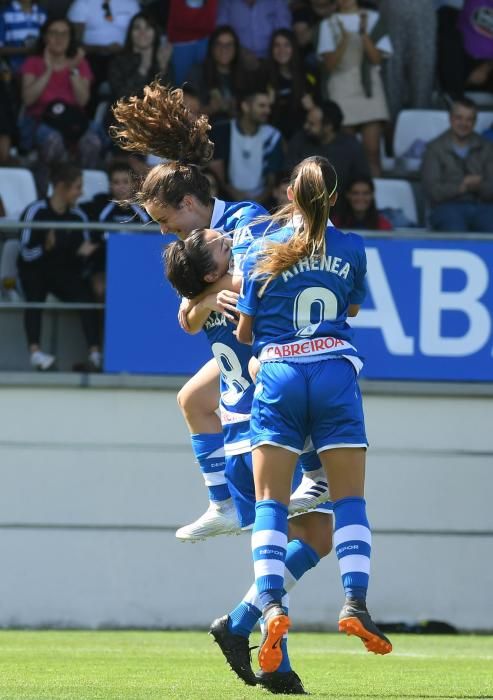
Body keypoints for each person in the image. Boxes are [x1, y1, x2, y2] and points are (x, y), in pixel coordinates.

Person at [110, 82, 329, 540]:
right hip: (237, 360)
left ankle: (317, 479)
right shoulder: (191, 248)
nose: (166, 232)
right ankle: (222, 504)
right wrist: (204, 299)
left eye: (167, 220)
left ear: (189, 203)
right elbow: (187, 321)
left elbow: (256, 280)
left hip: (271, 351)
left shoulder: (244, 222)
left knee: (304, 528)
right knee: (192, 400)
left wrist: (207, 295)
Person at [235, 155, 392, 672]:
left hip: (278, 372)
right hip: (334, 372)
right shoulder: (352, 246)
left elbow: (245, 335)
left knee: (270, 505)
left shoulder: (263, 247)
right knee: (349, 500)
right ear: (335, 195)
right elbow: (349, 310)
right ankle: (356, 603)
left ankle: (273, 603)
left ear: (290, 195)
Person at [164, 224, 333, 695]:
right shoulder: (240, 285)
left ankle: (267, 654)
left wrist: (201, 295)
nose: (226, 239)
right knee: (315, 536)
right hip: (267, 434)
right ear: (213, 268)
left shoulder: (208, 299)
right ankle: (243, 627)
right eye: (219, 245)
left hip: (237, 440)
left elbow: (188, 316)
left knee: (297, 540)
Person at [18, 163, 102, 371]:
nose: (80, 193)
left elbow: (79, 254)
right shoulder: (35, 211)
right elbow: (26, 253)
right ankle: (35, 353)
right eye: (77, 187)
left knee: (85, 293)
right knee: (34, 290)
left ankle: (95, 354)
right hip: (35, 271)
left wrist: (84, 253)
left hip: (63, 274)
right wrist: (46, 248)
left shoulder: (78, 216)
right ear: (61, 187)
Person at [19, 18, 102, 177]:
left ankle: (81, 189)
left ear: (71, 38)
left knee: (93, 143)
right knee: (52, 141)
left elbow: (83, 100)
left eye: (65, 34)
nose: (59, 38)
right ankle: (51, 190)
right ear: (45, 37)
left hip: (73, 122)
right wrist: (48, 70)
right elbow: (28, 99)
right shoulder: (33, 62)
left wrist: (72, 70)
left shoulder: (80, 63)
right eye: (54, 33)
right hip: (41, 121)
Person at [317, 0, 392, 175]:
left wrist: (364, 34)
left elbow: (377, 59)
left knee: (373, 151)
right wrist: (344, 40)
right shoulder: (328, 24)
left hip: (369, 88)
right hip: (341, 87)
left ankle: (376, 197)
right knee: (345, 152)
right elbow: (329, 65)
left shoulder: (373, 18)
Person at [421, 97, 493, 232]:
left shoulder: (487, 148)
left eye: (469, 119)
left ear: (475, 122)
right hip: (446, 207)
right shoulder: (434, 149)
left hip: (484, 207)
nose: (463, 123)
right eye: (459, 118)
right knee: (455, 230)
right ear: (450, 119)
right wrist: (462, 187)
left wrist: (479, 186)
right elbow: (432, 192)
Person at [81, 160, 150, 302]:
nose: (121, 187)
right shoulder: (99, 208)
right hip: (105, 264)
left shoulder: (145, 210)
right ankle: (102, 324)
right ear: (110, 185)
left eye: (125, 182)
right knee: (100, 289)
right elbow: (94, 240)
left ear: (134, 184)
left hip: (137, 265)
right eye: (116, 182)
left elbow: (151, 239)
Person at [208, 85, 284, 206]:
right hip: (226, 200)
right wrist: (235, 197)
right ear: (245, 106)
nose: (267, 111)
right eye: (262, 106)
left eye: (269, 106)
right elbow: (216, 173)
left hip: (263, 204)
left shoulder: (273, 136)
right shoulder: (223, 131)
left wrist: (255, 203)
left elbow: (272, 180)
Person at [286, 99, 372, 198]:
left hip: (342, 206)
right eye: (307, 122)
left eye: (312, 124)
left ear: (328, 126)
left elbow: (362, 181)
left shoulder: (351, 147)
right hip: (304, 201)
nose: (306, 126)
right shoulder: (299, 140)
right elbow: (288, 175)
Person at [67, 0, 140, 110]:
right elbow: (74, 42)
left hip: (125, 55)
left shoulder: (131, 3)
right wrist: (101, 49)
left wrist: (124, 50)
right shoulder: (82, 3)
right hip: (91, 56)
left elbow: (140, 32)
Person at [108, 12, 173, 104]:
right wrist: (143, 68)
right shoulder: (118, 62)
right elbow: (123, 98)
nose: (142, 33)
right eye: (137, 28)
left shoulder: (162, 59)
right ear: (130, 33)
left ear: (155, 32)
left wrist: (162, 68)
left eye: (148, 27)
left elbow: (166, 99)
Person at [185, 25, 243, 124]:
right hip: (205, 133)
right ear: (212, 48)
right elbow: (186, 113)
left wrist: (236, 109)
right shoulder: (197, 72)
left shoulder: (244, 75)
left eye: (229, 45)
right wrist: (211, 109)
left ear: (236, 48)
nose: (224, 49)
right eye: (219, 44)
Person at [264, 28, 316, 140]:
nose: (281, 50)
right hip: (273, 135)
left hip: (304, 135)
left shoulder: (308, 73)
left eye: (286, 45)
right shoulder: (264, 76)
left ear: (294, 48)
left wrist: (312, 107)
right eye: (277, 45)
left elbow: (319, 109)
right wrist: (268, 105)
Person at [216, 0, 292, 69]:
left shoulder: (276, 2)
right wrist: (241, 52)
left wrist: (272, 56)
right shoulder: (227, 2)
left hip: (273, 60)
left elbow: (285, 33)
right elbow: (221, 32)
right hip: (237, 61)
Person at [0, 0, 47, 71]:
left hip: (39, 68)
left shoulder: (42, 14)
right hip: (12, 68)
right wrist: (26, 50)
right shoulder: (4, 14)